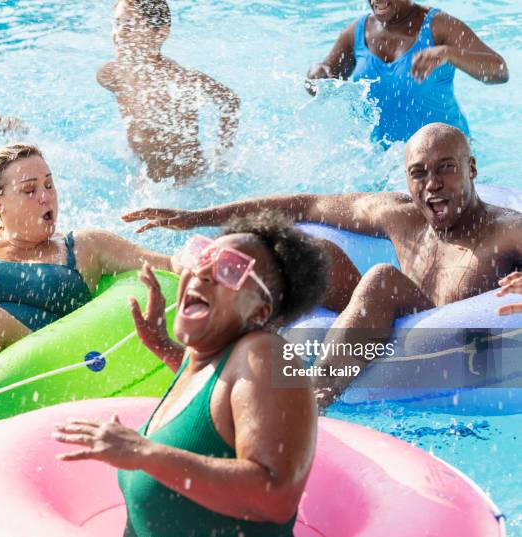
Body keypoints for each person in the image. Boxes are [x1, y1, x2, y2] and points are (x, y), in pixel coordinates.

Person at [122, 122, 522, 403]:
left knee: (381, 279)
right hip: (388, 326)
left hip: (459, 356)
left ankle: (311, 402)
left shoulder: (507, 231)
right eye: (418, 173)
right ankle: (226, 360)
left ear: (471, 168)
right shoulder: (400, 215)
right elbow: (307, 204)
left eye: (446, 169)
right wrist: (197, 217)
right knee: (314, 253)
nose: (431, 183)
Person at [53, 213, 324, 536]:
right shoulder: (202, 363)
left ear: (260, 310)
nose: (204, 271)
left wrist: (143, 452)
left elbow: (275, 497)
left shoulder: (267, 353)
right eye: (203, 256)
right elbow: (215, 410)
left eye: (230, 269)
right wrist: (163, 345)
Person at [0, 143, 171, 414]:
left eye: (49, 185)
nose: (45, 197)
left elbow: (168, 265)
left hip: (39, 363)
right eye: (29, 190)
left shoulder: (85, 246)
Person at [305, 1, 508, 143]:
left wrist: (450, 54)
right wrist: (315, 74)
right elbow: (322, 82)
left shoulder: (440, 26)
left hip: (442, 156)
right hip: (381, 159)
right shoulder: (356, 32)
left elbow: (499, 71)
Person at [97, 0, 240, 183]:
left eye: (131, 25)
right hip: (145, 175)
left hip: (186, 181)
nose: (119, 33)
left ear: (160, 34)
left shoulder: (177, 80)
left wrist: (221, 157)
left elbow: (230, 100)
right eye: (117, 23)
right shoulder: (111, 74)